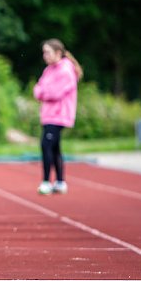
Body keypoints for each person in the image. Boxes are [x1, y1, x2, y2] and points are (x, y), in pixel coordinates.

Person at [33, 39, 83, 195]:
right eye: (44, 52)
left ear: (58, 53)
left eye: (48, 52)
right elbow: (37, 89)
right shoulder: (49, 70)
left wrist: (43, 93)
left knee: (46, 145)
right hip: (48, 114)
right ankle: (60, 182)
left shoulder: (66, 71)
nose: (45, 56)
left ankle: (47, 181)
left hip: (59, 115)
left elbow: (55, 93)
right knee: (54, 148)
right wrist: (42, 92)